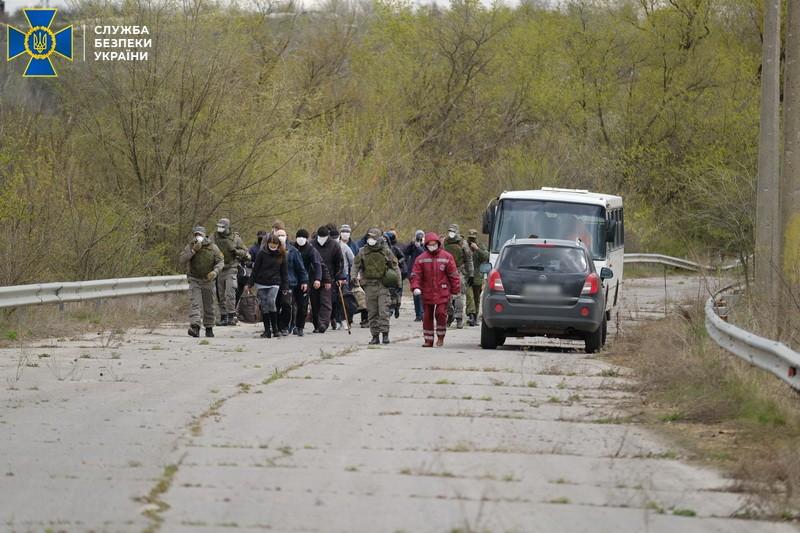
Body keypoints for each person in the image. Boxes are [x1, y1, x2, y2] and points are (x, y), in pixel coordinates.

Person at [410, 232, 460, 347]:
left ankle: (440, 337)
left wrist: (455, 290)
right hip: (427, 291)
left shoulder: (447, 257)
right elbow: (415, 275)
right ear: (426, 245)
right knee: (427, 316)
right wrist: (415, 287)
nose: (432, 246)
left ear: (438, 243)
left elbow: (453, 275)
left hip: (442, 291)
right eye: (430, 244)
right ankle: (428, 339)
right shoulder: (421, 259)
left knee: (441, 313)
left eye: (434, 244)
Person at [351, 227, 401, 345]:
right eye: (369, 237)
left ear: (378, 238)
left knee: (383, 311)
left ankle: (385, 334)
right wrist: (353, 276)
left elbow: (395, 266)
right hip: (368, 285)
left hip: (383, 285)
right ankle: (375, 336)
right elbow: (355, 265)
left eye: (373, 237)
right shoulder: (363, 251)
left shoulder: (386, 251)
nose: (370, 239)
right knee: (372, 312)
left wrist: (398, 282)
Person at [179, 226, 224, 338]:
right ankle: (195, 327)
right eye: (195, 234)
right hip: (195, 279)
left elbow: (220, 261)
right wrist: (193, 251)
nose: (197, 236)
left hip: (208, 280)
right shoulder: (190, 246)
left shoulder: (213, 247)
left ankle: (209, 327)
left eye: (200, 234)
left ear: (205, 235)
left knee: (209, 305)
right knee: (195, 303)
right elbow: (182, 260)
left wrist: (215, 271)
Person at [249, 234, 289, 339]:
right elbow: (255, 269)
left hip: (275, 282)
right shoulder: (262, 253)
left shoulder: (282, 254)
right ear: (267, 244)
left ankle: (275, 328)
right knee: (264, 305)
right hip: (261, 282)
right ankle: (267, 330)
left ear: (278, 245)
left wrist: (285, 286)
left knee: (271, 301)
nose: (272, 246)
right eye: (271, 244)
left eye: (275, 244)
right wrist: (250, 283)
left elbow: (284, 272)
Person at [212, 218, 250, 326]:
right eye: (219, 226)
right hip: (219, 268)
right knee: (220, 294)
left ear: (228, 227)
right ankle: (223, 316)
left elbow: (246, 252)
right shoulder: (214, 237)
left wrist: (236, 251)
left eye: (222, 227)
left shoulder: (235, 238)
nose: (220, 229)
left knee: (230, 292)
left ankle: (231, 315)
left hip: (231, 268)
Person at [272, 227, 308, 336]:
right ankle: (276, 327)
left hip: (290, 283)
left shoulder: (293, 251)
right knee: (275, 306)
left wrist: (304, 281)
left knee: (287, 305)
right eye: (278, 235)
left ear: (286, 236)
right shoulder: (271, 250)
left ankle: (285, 326)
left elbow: (301, 268)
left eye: (282, 235)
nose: (281, 237)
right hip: (273, 282)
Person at [311, 225, 345, 333]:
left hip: (329, 278)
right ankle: (316, 324)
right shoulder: (311, 244)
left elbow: (339, 263)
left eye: (324, 237)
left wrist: (338, 277)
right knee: (315, 302)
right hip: (314, 278)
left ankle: (323, 324)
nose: (321, 239)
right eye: (320, 237)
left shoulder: (334, 245)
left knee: (326, 302)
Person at [443, 223, 474, 329]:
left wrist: (471, 274)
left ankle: (459, 318)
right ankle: (450, 315)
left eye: (453, 231)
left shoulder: (462, 243)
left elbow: (469, 259)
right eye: (450, 231)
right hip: (445, 272)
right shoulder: (444, 242)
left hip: (458, 271)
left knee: (459, 296)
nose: (451, 233)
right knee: (445, 296)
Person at [293, 229, 323, 336]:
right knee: (289, 304)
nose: (301, 239)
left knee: (302, 305)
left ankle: (300, 326)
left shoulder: (311, 250)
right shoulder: (292, 248)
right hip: (291, 280)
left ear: (307, 238)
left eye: (303, 237)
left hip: (305, 280)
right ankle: (290, 326)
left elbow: (317, 264)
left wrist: (318, 279)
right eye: (299, 237)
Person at [465, 229, 490, 327]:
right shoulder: (464, 246)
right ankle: (471, 315)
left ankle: (474, 318)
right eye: (470, 238)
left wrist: (477, 249)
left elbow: (486, 256)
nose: (471, 239)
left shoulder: (480, 245)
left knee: (476, 298)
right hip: (467, 276)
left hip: (478, 276)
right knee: (469, 296)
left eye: (473, 238)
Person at [403, 230, 426, 321]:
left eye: (421, 236)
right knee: (416, 294)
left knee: (424, 294)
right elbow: (404, 252)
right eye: (418, 236)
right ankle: (418, 315)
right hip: (414, 273)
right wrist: (411, 244)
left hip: (424, 273)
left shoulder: (427, 246)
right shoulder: (413, 246)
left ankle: (424, 313)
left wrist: (419, 246)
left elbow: (424, 254)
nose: (420, 238)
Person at [384, 230, 406, 319]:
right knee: (389, 293)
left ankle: (396, 307)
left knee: (396, 293)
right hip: (386, 274)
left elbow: (403, 257)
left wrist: (398, 262)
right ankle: (390, 309)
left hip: (396, 272)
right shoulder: (381, 250)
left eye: (385, 240)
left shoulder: (394, 249)